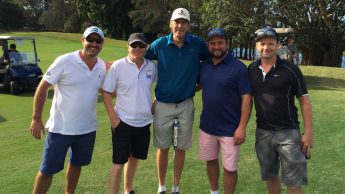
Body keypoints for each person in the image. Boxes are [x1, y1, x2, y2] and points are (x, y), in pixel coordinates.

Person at [30, 26, 106, 194]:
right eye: (90, 40)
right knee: (47, 170)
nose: (94, 44)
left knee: (77, 164)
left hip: (87, 129)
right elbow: (43, 87)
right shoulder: (64, 61)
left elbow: (105, 88)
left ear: (102, 44)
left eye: (98, 41)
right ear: (82, 40)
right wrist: (36, 118)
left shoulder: (101, 66)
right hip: (60, 129)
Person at [145, 7, 209, 194]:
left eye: (184, 22)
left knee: (181, 148)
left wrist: (200, 83)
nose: (180, 25)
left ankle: (176, 187)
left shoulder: (197, 44)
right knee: (162, 147)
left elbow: (210, 62)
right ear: (171, 24)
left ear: (188, 25)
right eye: (177, 21)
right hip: (163, 103)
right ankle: (162, 186)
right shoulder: (160, 44)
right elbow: (140, 59)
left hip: (186, 104)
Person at [248, 27, 313, 194]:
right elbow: (246, 101)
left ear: (277, 45)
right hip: (262, 133)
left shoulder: (291, 69)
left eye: (270, 43)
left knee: (293, 183)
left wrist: (308, 133)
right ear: (257, 46)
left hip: (289, 134)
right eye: (262, 44)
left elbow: (304, 101)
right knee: (270, 177)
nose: (266, 47)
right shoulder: (251, 70)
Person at [197, 28, 252, 194]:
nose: (216, 46)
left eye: (220, 42)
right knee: (210, 160)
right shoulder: (204, 66)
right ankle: (214, 192)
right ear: (208, 45)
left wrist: (242, 127)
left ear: (227, 44)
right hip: (207, 126)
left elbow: (247, 98)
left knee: (230, 169)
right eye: (212, 43)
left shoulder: (239, 68)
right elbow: (198, 85)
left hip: (230, 129)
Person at [102, 33, 156, 194]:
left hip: (144, 123)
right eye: (134, 45)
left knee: (134, 159)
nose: (137, 48)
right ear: (128, 46)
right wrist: (113, 119)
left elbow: (162, 87)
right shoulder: (118, 66)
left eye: (141, 45)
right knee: (118, 163)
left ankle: (128, 190)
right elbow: (106, 92)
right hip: (122, 122)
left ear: (146, 47)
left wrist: (153, 106)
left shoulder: (151, 66)